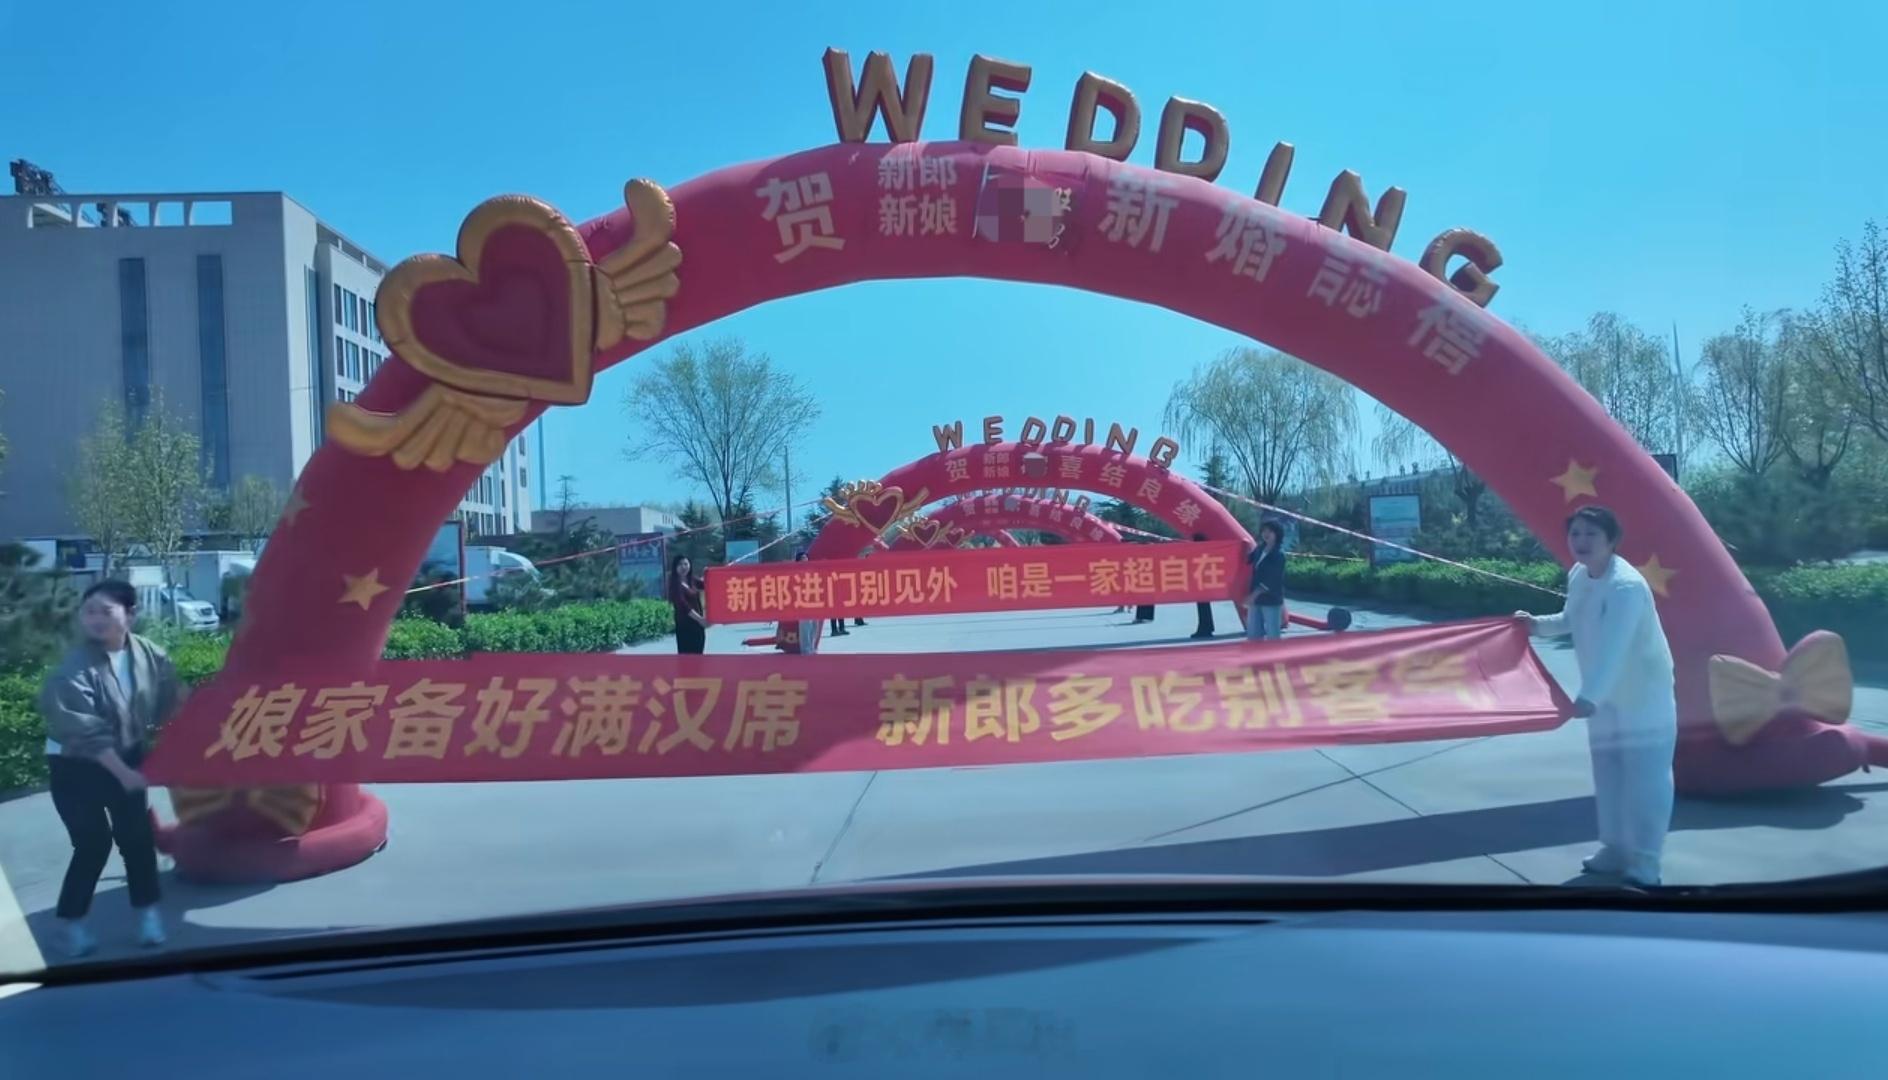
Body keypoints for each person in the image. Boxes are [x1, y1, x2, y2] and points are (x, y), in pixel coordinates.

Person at [1517, 505, 1676, 887]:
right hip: (1603, 698)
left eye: (1592, 534)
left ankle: (1647, 860)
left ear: (1612, 540)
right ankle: (1615, 849)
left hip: (1644, 695)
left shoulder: (1626, 587)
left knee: (1646, 777)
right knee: (1609, 773)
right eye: (1576, 533)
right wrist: (1535, 626)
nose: (1582, 541)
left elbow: (1615, 648)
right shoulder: (1580, 574)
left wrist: (1590, 695)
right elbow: (1570, 619)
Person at [38, 580, 182, 956]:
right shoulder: (71, 669)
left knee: (137, 839)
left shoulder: (150, 655)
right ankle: (72, 926)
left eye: (106, 611)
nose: (96, 619)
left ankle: (148, 918)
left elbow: (173, 704)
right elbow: (86, 733)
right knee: (93, 843)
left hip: (128, 755)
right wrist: (126, 775)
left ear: (130, 614)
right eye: (89, 612)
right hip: (74, 766)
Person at [1246, 521, 1286, 640]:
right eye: (1264, 531)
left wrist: (1254, 594)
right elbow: (1248, 559)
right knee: (1253, 634)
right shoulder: (1259, 549)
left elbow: (1272, 579)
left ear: (1277, 534)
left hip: (1271, 599)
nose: (1266, 534)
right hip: (1256, 599)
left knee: (1273, 635)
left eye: (1270, 531)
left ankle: (1275, 653)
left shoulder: (1279, 555)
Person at [668, 554, 706, 655]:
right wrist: (700, 619)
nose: (684, 567)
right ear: (675, 567)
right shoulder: (675, 585)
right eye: (680, 564)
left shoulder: (692, 580)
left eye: (686, 564)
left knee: (699, 656)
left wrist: (709, 574)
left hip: (697, 627)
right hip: (685, 627)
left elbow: (708, 584)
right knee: (687, 657)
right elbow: (684, 606)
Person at [1189, 532, 1216, 639]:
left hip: (1202, 582)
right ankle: (1207, 627)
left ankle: (1205, 628)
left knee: (1203, 605)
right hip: (1206, 581)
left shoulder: (1199, 552)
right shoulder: (1208, 551)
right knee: (1204, 605)